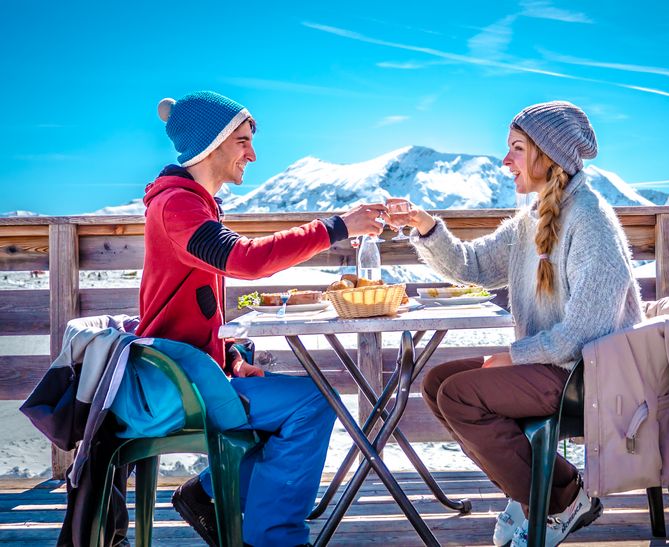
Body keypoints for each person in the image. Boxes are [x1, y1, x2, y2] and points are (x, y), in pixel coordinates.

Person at [386, 101, 643, 546]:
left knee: (461, 395)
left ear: (549, 155)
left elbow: (585, 332)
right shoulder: (534, 220)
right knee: (437, 383)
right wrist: (425, 225)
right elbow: (472, 264)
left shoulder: (591, 221)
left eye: (517, 149)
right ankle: (546, 490)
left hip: (588, 375)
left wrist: (514, 355)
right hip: (557, 366)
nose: (505, 161)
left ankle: (555, 504)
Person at [138, 90, 386, 546]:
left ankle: (212, 494)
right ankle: (272, 537)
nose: (253, 154)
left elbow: (193, 308)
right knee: (310, 403)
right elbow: (245, 259)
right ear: (211, 143)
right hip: (174, 389)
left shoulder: (188, 203)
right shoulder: (177, 206)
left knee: (299, 400)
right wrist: (337, 226)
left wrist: (230, 357)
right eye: (243, 141)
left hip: (189, 375)